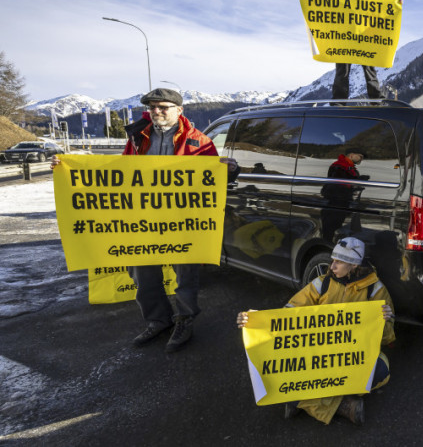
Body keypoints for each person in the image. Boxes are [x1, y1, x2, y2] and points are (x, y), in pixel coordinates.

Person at [112, 88, 238, 353]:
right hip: (144, 219)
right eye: (152, 107)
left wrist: (229, 170)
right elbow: (121, 171)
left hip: (183, 221)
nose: (156, 111)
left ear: (179, 110)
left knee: (185, 274)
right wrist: (66, 166)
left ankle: (184, 320)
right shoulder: (137, 137)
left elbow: (212, 179)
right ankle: (158, 320)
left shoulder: (199, 141)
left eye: (163, 107)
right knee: (142, 270)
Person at [236, 237, 395, 425]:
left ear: (353, 265)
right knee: (282, 363)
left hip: (349, 355)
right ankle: (342, 406)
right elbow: (288, 314)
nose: (332, 265)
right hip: (318, 353)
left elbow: (387, 339)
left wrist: (384, 321)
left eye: (339, 261)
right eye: (332, 259)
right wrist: (254, 321)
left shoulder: (376, 290)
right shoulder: (322, 283)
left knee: (381, 371)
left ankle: (298, 399)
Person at [329, 0, 393, 100]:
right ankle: (339, 101)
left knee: (370, 68)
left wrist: (396, 5)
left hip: (366, 34)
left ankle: (376, 99)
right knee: (342, 69)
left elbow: (383, 9)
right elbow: (323, 2)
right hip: (344, 34)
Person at [320, 149, 368, 241]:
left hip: (342, 202)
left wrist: (357, 180)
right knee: (330, 230)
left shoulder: (348, 167)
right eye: (360, 156)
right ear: (351, 155)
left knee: (336, 228)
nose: (361, 159)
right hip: (334, 203)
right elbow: (338, 182)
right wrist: (357, 179)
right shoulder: (339, 166)